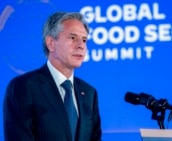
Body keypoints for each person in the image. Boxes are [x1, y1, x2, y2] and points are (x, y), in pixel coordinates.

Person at [3, 12, 102, 141]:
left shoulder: (89, 93)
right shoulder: (24, 87)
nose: (81, 45)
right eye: (73, 38)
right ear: (51, 43)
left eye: (84, 40)